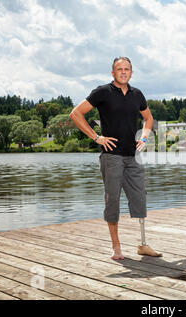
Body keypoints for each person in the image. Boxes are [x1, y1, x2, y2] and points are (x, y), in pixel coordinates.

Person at [70, 56, 162, 260]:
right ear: (113, 73)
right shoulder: (102, 92)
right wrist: (96, 137)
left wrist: (144, 138)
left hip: (133, 156)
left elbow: (148, 119)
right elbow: (76, 114)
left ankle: (143, 244)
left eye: (127, 69)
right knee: (113, 200)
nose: (123, 72)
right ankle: (116, 246)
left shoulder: (137, 94)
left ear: (131, 72)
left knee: (139, 198)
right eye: (119, 69)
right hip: (111, 156)